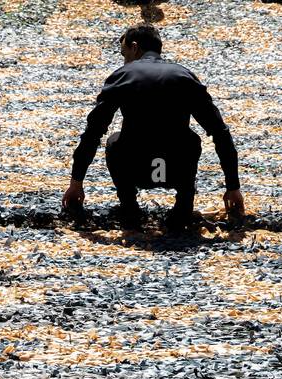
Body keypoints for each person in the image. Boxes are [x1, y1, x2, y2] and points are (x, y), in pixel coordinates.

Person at [61, 24, 245, 234]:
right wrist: (233, 186)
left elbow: (93, 131)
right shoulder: (184, 77)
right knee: (192, 139)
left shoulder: (122, 75)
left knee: (113, 141)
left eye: (124, 54)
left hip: (136, 167)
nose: (124, 60)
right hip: (176, 168)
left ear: (134, 47)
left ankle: (129, 207)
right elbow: (219, 132)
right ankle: (183, 207)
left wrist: (76, 182)